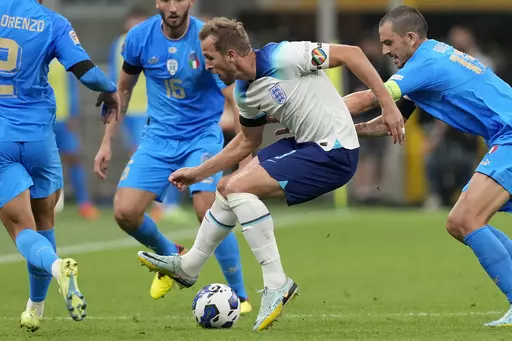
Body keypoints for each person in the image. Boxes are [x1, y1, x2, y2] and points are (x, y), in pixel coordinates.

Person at [137, 16, 403, 331]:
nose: (205, 66)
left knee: (239, 188)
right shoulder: (243, 94)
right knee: (225, 187)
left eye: (209, 58)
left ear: (231, 56)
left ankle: (276, 283)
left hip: (335, 151)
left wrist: (387, 105)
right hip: (306, 145)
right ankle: (189, 266)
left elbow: (351, 54)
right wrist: (198, 173)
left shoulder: (285, 56)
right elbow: (246, 142)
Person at [344, 5, 512, 327]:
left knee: (464, 219)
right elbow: (389, 122)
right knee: (469, 220)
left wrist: (313, 116)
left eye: (389, 43)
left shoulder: (425, 63)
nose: (384, 51)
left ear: (410, 37)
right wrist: (347, 130)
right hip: (504, 138)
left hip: (510, 136)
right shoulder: (429, 58)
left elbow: (371, 98)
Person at [93, 0, 252, 314]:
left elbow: (234, 98)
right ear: (157, 2)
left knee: (206, 208)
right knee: (125, 212)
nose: (173, 6)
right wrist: (106, 143)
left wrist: (244, 156)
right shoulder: (139, 38)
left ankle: (240, 296)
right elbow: (120, 92)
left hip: (201, 137)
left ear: (189, 1)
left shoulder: (207, 39)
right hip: (158, 138)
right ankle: (170, 254)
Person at [0, 0, 120, 332]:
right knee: (44, 222)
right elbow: (86, 71)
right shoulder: (52, 22)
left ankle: (56, 268)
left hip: (1, 139)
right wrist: (111, 91)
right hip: (40, 137)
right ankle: (35, 309)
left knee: (22, 231)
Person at [108, 7, 186, 222]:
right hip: (133, 110)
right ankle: (159, 203)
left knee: (168, 155)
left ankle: (165, 204)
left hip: (155, 109)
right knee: (147, 155)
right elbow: (118, 79)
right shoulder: (124, 43)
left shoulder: (154, 39)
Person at [49, 60, 99, 220]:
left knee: (74, 157)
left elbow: (72, 86)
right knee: (40, 161)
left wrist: (74, 112)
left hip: (63, 118)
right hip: (41, 119)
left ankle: (84, 203)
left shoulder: (61, 56)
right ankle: (40, 204)